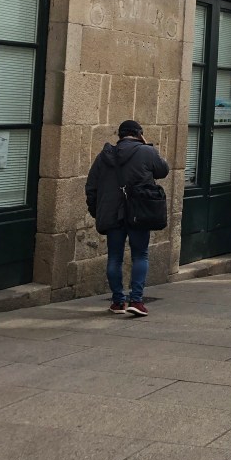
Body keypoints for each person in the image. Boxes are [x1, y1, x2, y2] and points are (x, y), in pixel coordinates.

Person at [85, 120, 169, 317]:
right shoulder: (146, 152)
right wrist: (148, 145)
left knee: (115, 257)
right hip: (139, 212)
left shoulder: (104, 156)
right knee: (140, 255)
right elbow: (163, 170)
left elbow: (91, 186)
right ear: (139, 134)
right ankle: (136, 301)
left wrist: (96, 211)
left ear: (120, 135)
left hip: (112, 214)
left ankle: (118, 301)